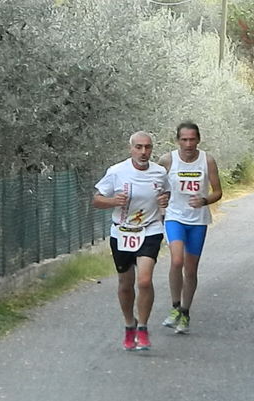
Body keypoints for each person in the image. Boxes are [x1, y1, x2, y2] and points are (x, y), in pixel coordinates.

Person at [93, 131, 170, 351]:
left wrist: (165, 199)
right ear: (131, 149)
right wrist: (112, 201)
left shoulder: (159, 172)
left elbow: (166, 193)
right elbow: (96, 200)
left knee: (144, 281)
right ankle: (130, 324)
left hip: (150, 229)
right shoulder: (117, 172)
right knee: (126, 285)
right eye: (139, 147)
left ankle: (143, 327)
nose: (144, 152)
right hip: (122, 232)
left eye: (148, 147)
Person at [159, 122, 222, 334]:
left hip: (198, 220)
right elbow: (156, 187)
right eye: (184, 140)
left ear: (198, 140)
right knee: (177, 260)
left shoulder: (207, 160)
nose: (188, 144)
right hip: (175, 217)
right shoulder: (168, 160)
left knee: (191, 268)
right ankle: (176, 307)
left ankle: (185, 312)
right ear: (177, 140)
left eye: (192, 139)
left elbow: (218, 192)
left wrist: (204, 200)